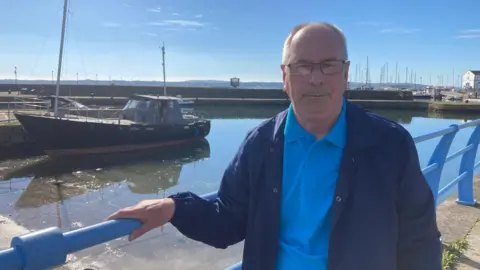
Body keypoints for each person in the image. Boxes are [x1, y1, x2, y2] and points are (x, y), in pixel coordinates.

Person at [108, 22, 442, 270]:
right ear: (285, 77)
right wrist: (174, 207)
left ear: (345, 74)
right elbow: (228, 219)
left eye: (328, 65)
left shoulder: (389, 144)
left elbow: (419, 239)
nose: (315, 78)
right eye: (302, 66)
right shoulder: (261, 144)